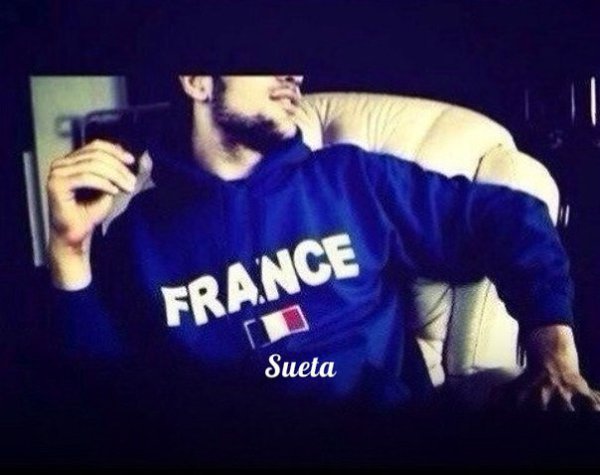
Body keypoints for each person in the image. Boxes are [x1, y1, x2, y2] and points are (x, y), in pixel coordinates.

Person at [46, 76, 599, 433]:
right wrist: (69, 250)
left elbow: (510, 218)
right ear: (197, 81)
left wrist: (554, 351)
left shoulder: (351, 178)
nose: (292, 74)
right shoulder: (138, 236)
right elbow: (103, 393)